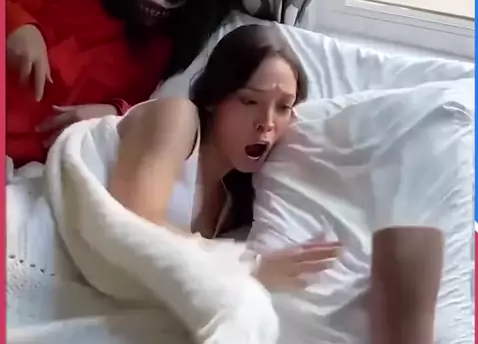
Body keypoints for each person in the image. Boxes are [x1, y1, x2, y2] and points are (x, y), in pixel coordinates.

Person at [6, 0, 242, 167]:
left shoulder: (170, 51)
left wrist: (114, 113)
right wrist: (18, 26)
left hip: (34, 159)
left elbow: (161, 115)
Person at [108, 24, 341, 290]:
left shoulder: (233, 207)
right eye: (249, 101)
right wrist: (248, 269)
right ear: (214, 98)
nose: (267, 123)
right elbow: (132, 225)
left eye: (283, 107)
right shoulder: (178, 117)